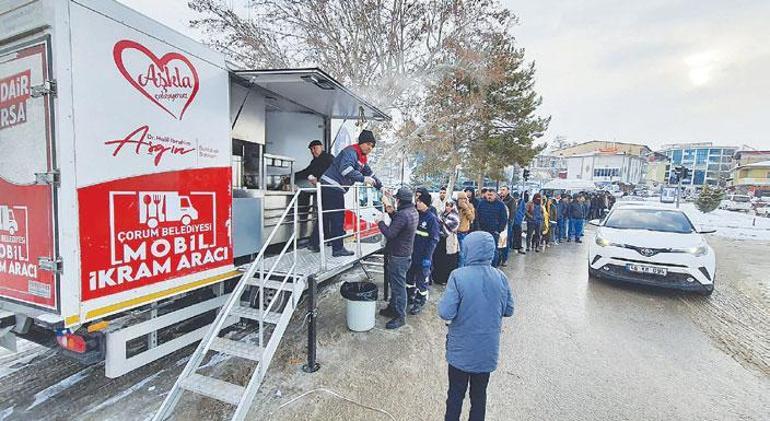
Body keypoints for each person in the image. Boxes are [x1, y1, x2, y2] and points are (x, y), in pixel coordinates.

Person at [438, 231, 515, 421]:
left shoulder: (458, 276)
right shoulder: (501, 277)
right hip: (486, 351)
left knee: (455, 395)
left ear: (468, 249)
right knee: (479, 396)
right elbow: (509, 310)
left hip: (461, 350)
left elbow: (445, 312)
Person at [310, 130, 382, 256]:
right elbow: (346, 170)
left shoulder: (361, 158)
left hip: (329, 186)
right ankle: (338, 249)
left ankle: (313, 243)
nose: (370, 148)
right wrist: (363, 179)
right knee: (338, 218)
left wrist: (380, 186)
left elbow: (370, 173)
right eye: (368, 144)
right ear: (361, 143)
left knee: (325, 216)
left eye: (372, 146)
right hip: (332, 186)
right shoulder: (351, 152)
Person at [376, 187, 419, 329]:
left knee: (399, 287)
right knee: (395, 284)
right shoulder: (412, 211)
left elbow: (390, 233)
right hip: (405, 254)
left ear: (399, 200)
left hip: (398, 256)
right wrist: (391, 212)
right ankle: (392, 308)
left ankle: (400, 317)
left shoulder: (403, 214)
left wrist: (380, 222)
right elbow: (401, 224)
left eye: (396, 199)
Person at [406, 191, 440, 316]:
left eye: (420, 201)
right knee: (409, 277)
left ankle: (419, 301)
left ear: (425, 203)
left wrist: (428, 257)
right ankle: (409, 296)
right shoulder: (416, 215)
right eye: (417, 201)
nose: (417, 203)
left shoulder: (431, 219)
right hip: (412, 254)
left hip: (423, 256)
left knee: (421, 280)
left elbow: (434, 239)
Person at [475, 189, 508, 267]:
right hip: (483, 230)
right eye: (488, 195)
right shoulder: (482, 203)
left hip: (494, 231)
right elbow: (477, 216)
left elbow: (504, 218)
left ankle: (493, 266)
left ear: (495, 195)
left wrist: (499, 230)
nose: (489, 197)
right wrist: (478, 228)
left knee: (494, 249)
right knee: (483, 249)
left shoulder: (500, 205)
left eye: (491, 195)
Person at [433, 200, 460, 285]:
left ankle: (446, 278)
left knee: (449, 260)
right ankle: (438, 278)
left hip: (450, 240)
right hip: (441, 240)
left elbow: (450, 227)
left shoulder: (455, 216)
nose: (448, 208)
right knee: (439, 259)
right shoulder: (441, 214)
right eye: (447, 205)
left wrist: (441, 223)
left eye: (450, 206)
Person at [455, 191, 475, 267]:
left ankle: (461, 268)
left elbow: (472, 218)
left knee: (462, 254)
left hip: (463, 233)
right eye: (460, 199)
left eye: (464, 198)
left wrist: (466, 208)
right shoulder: (455, 206)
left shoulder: (469, 206)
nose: (463, 200)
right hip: (454, 232)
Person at [498, 186, 515, 264]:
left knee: (505, 241)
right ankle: (498, 258)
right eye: (501, 190)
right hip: (498, 222)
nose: (502, 191)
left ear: (508, 191)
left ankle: (504, 259)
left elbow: (512, 213)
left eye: (503, 190)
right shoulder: (498, 199)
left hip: (507, 224)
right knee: (499, 241)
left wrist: (509, 223)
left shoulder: (511, 200)